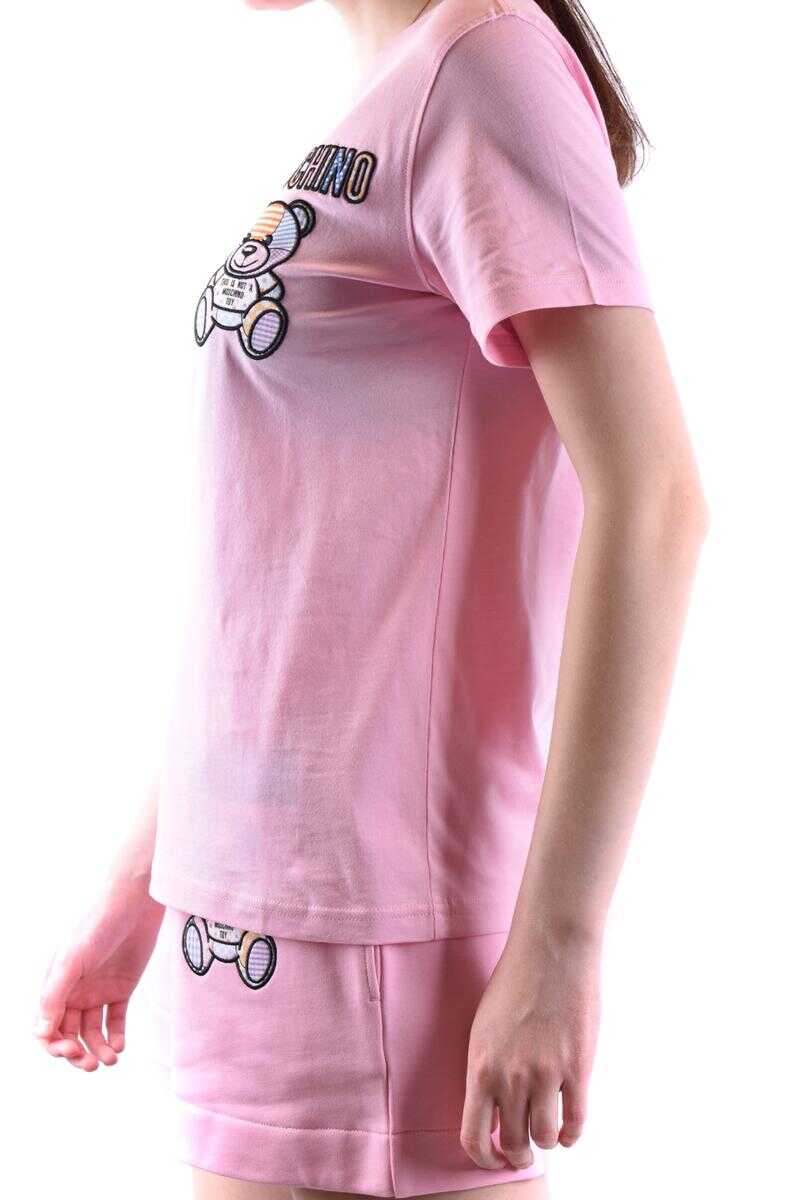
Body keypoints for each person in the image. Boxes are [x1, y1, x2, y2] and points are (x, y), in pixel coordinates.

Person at [35, 1, 708, 1198]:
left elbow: (654, 501)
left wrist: (556, 947)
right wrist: (144, 882)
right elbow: (283, 580)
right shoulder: (395, 92)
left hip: (380, 934)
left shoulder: (484, 65)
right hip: (252, 922)